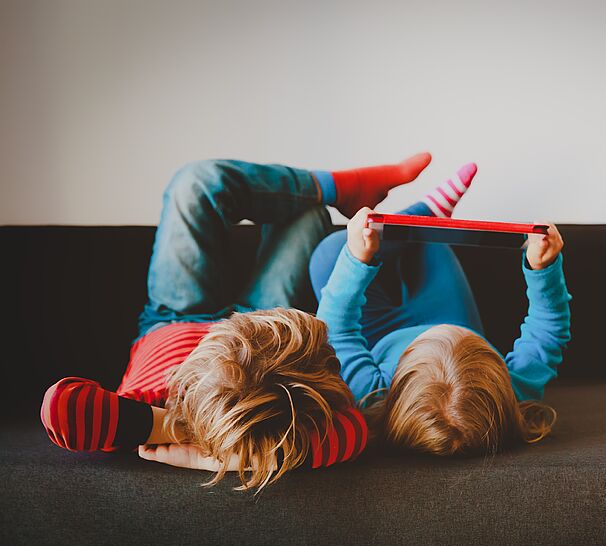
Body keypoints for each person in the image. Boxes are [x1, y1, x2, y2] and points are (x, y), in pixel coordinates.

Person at [41, 153, 434, 491]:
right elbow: (356, 433)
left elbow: (62, 406)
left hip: (172, 320)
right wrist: (231, 456)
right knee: (308, 214)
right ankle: (336, 189)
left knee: (194, 183)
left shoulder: (152, 409)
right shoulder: (273, 415)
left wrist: (173, 427)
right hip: (258, 322)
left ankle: (339, 186)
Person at [309, 163, 572, 457]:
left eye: (429, 340)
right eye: (458, 340)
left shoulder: (371, 395)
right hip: (449, 311)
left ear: (397, 381)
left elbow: (336, 328)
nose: (435, 332)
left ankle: (423, 211)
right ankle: (426, 215)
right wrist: (543, 268)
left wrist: (356, 257)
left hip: (380, 331)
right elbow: (548, 331)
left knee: (329, 253)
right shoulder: (510, 394)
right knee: (430, 242)